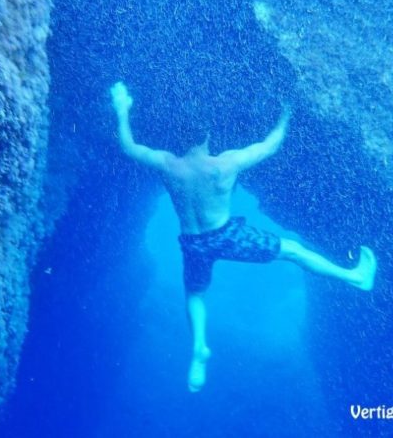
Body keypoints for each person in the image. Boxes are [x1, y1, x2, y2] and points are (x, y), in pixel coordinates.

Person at [110, 81, 377, 393]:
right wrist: (286, 115)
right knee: (291, 250)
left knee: (195, 294)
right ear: (207, 135)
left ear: (178, 138)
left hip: (193, 243)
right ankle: (353, 276)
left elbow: (128, 146)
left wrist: (121, 107)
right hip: (228, 235)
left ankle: (199, 346)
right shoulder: (225, 164)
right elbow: (269, 146)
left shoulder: (169, 165)